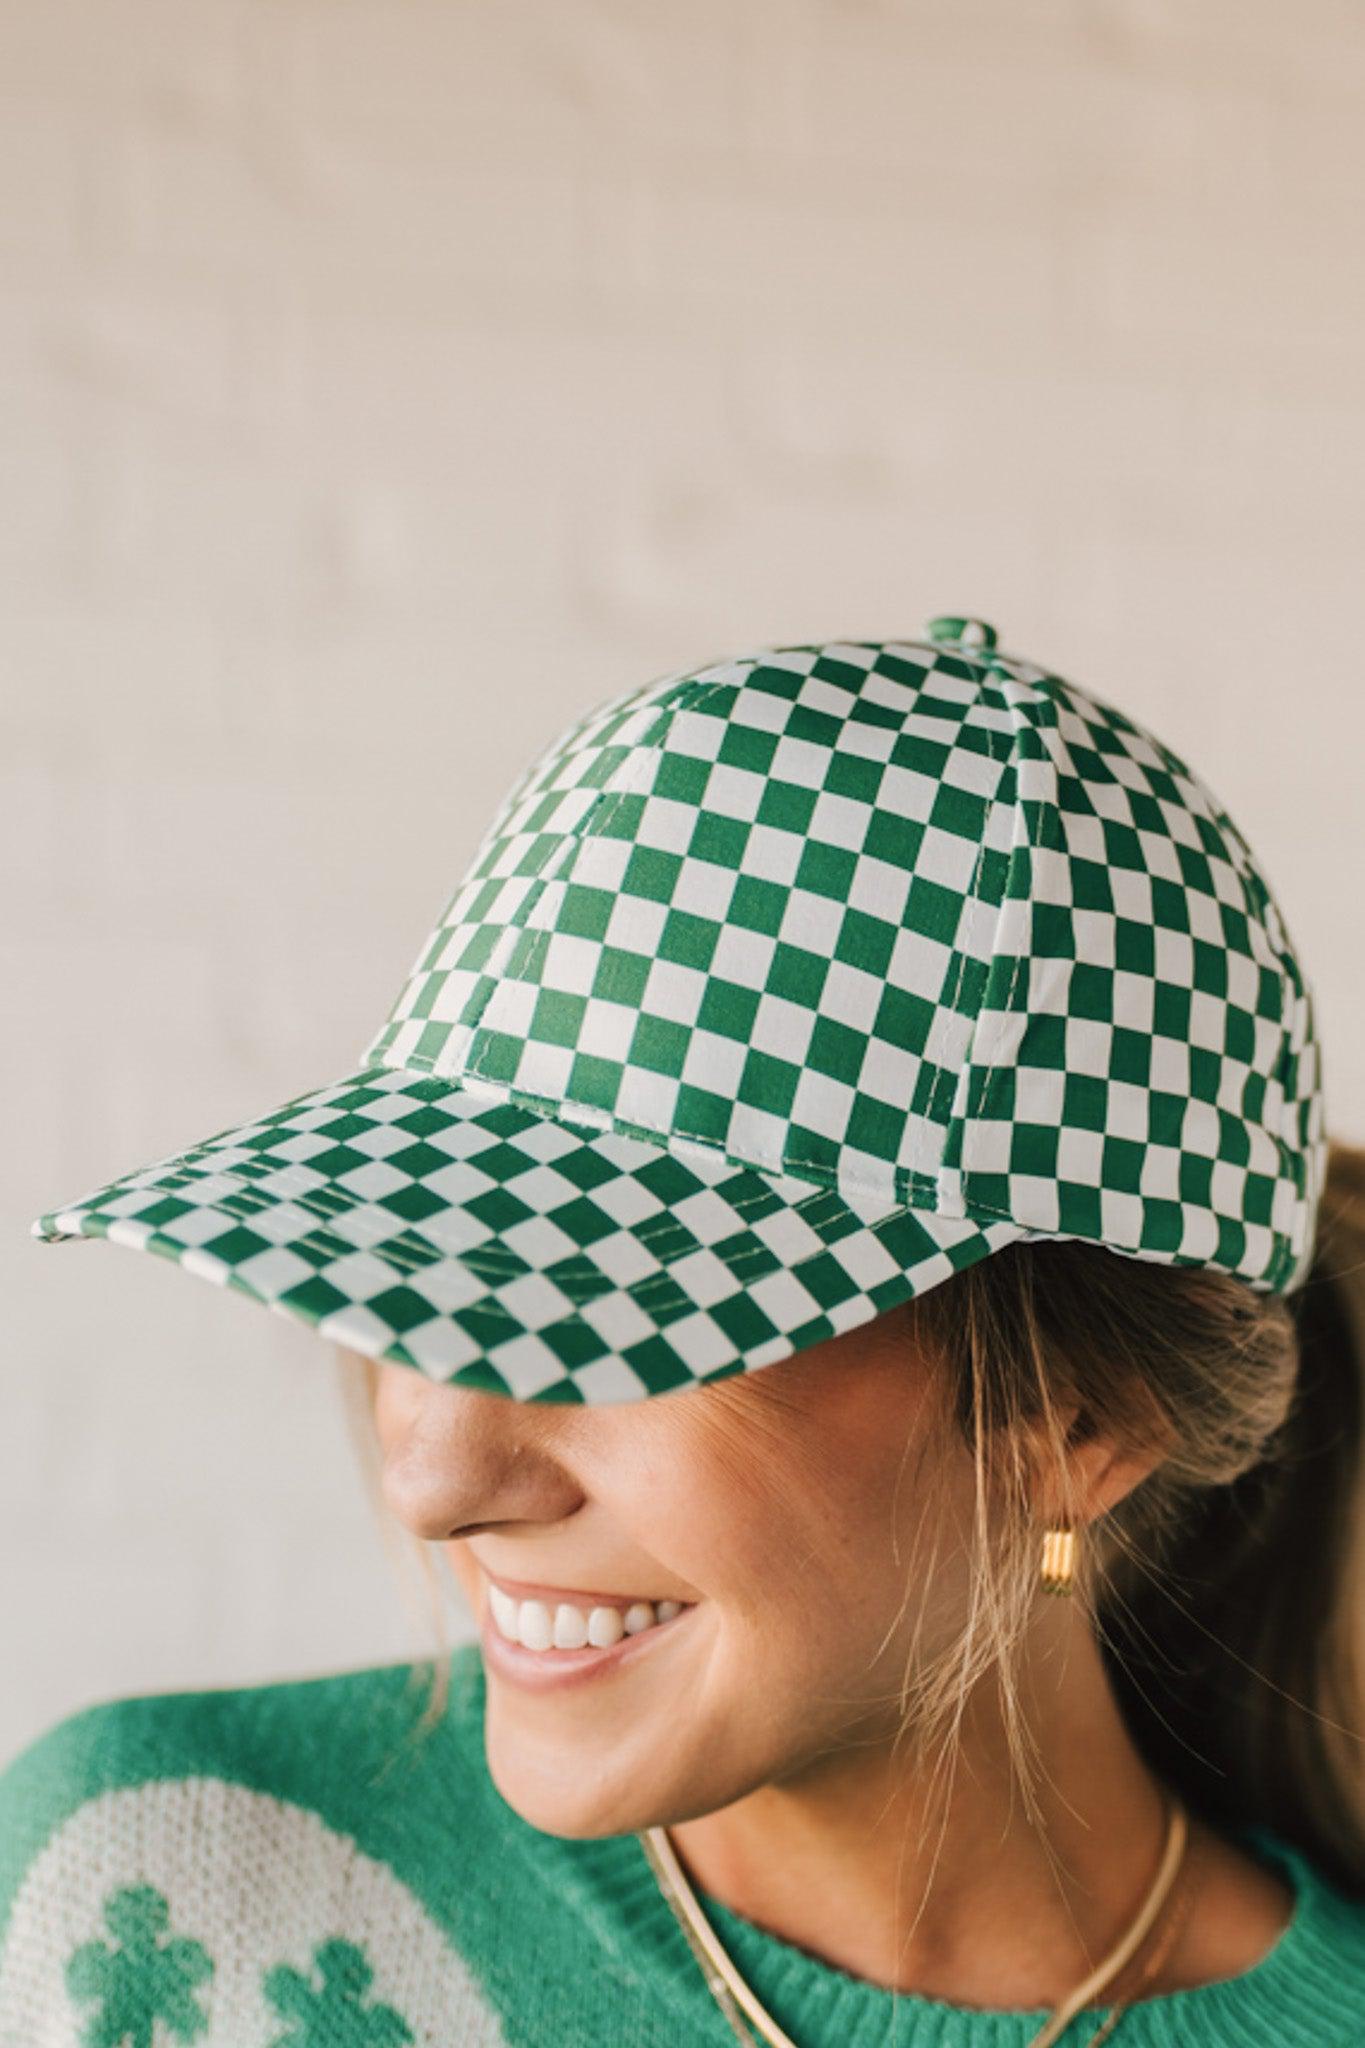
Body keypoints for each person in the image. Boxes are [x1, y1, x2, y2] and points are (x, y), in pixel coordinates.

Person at [3, 615, 1363, 2046]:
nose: (435, 1480)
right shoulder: (165, 1900)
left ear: (1084, 1425)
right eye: (418, 1270)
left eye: (621, 1312)